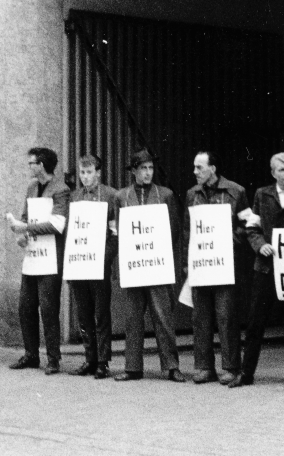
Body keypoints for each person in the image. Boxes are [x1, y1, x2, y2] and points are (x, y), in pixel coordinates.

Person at [229, 152, 284, 388]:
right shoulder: (262, 194)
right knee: (255, 322)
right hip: (266, 269)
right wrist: (260, 246)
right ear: (273, 173)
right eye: (282, 170)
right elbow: (252, 228)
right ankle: (247, 373)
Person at [114, 150, 185, 383]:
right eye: (143, 168)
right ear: (133, 171)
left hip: (156, 266)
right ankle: (132, 367)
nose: (147, 173)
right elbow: (119, 232)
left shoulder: (165, 195)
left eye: (151, 168)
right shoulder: (121, 197)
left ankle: (172, 366)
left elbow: (173, 232)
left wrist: (162, 258)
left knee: (163, 317)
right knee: (132, 318)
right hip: (134, 267)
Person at [184, 151, 250, 385]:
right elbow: (187, 231)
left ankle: (231, 367)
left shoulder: (236, 191)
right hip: (201, 266)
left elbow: (248, 226)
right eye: (194, 167)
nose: (195, 172)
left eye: (199, 167)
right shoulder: (192, 194)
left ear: (212, 169)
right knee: (200, 317)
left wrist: (228, 238)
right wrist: (186, 263)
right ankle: (203, 367)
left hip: (224, 267)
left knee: (226, 316)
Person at [8, 147, 70, 375]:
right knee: (25, 306)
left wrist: (27, 228)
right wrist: (21, 234)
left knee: (48, 307)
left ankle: (53, 358)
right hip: (33, 255)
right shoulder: (31, 187)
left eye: (31, 163)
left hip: (51, 257)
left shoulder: (61, 190)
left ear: (42, 165)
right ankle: (31, 354)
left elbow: (57, 224)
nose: (29, 167)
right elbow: (26, 216)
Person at [67, 154, 117, 380]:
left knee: (100, 313)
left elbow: (115, 234)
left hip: (99, 265)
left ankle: (103, 361)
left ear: (98, 172)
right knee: (83, 313)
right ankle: (89, 358)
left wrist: (103, 258)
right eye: (82, 173)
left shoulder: (110, 196)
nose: (85, 177)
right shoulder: (74, 197)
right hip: (79, 263)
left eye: (89, 172)